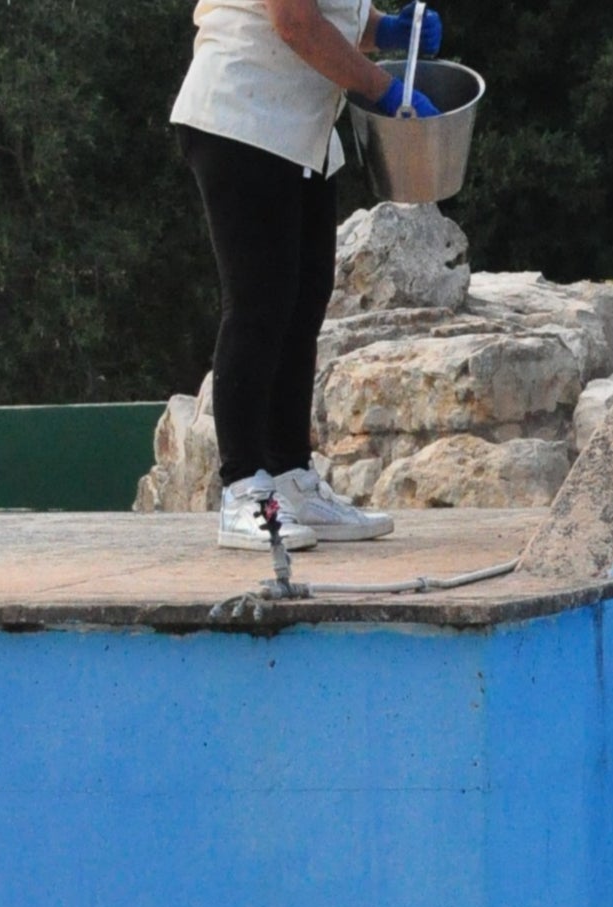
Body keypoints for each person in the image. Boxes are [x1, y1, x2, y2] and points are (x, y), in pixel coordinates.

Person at [171, 0, 444, 551]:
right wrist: (382, 90)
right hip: (242, 115)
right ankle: (244, 488)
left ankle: (291, 477)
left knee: (303, 303)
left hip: (300, 132)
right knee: (258, 305)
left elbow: (335, 14)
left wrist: (388, 28)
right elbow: (294, 20)